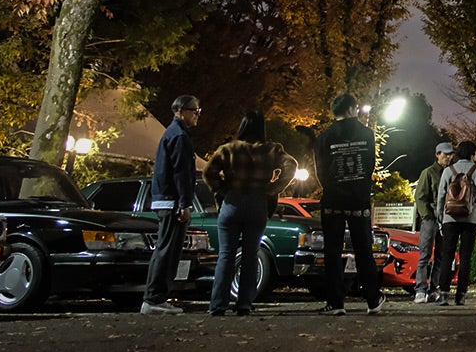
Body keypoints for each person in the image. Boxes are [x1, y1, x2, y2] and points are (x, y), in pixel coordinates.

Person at [202, 111, 296, 316]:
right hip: (257, 202)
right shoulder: (271, 150)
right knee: (251, 254)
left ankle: (218, 304)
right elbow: (292, 166)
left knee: (226, 255)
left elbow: (208, 172)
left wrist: (223, 189)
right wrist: (273, 188)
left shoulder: (228, 149)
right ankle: (244, 303)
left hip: (232, 202)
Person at [313, 93, 386, 315]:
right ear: (353, 109)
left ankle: (336, 303)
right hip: (359, 199)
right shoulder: (366, 134)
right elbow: (371, 164)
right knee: (364, 249)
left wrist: (332, 185)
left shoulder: (324, 137)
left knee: (332, 251)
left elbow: (321, 171)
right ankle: (373, 299)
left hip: (333, 199)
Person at [141, 95, 201, 314]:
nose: (197, 115)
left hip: (164, 200)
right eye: (195, 110)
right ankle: (155, 298)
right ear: (181, 111)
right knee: (167, 251)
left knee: (164, 249)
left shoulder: (171, 134)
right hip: (172, 202)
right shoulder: (179, 136)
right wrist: (185, 203)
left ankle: (155, 297)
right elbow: (181, 172)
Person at [434, 139, 476, 306]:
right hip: (472, 219)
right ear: (473, 154)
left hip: (450, 218)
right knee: (466, 257)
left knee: (447, 256)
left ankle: (443, 293)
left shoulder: (448, 170)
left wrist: (440, 219)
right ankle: (461, 295)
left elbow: (441, 197)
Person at [412, 141, 456, 304]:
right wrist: (426, 215)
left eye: (450, 154)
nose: (448, 157)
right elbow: (420, 196)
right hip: (431, 218)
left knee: (441, 256)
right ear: (437, 154)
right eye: (445, 154)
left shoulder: (452, 172)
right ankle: (420, 289)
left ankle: (433, 290)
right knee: (424, 254)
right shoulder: (428, 172)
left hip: (446, 219)